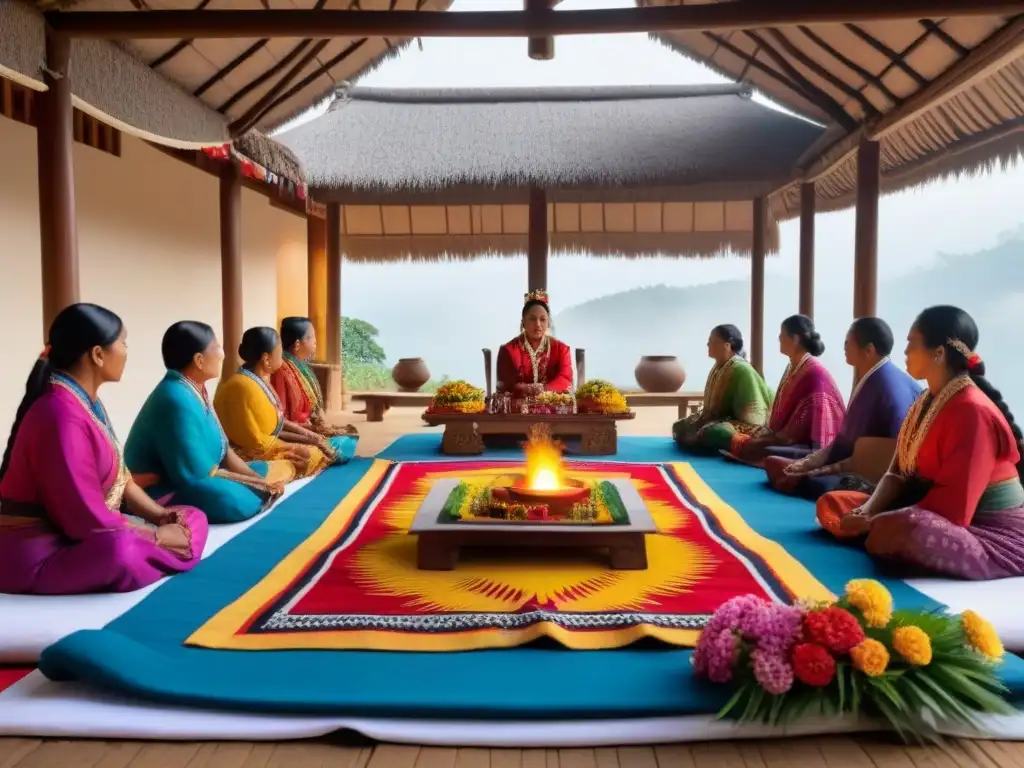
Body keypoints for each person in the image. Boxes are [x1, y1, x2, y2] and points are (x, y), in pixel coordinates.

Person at [0, 304, 208, 594]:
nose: (126, 351)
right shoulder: (60, 415)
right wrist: (156, 535)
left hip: (83, 535)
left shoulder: (86, 402)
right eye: (122, 343)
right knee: (121, 551)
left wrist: (160, 516)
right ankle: (161, 551)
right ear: (98, 355)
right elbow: (83, 520)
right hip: (40, 553)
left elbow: (122, 478)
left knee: (192, 515)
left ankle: (161, 548)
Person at [816, 306, 1024, 580]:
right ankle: (875, 531)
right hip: (928, 510)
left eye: (911, 343)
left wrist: (876, 520)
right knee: (832, 503)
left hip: (985, 529)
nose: (904, 352)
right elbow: (896, 473)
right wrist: (867, 511)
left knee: (901, 528)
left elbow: (955, 510)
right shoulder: (925, 402)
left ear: (938, 352)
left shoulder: (972, 409)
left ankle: (878, 533)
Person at [125, 321, 293, 524]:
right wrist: (260, 487)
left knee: (266, 471)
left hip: (203, 474)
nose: (222, 354)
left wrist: (258, 481)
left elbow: (226, 452)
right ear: (199, 360)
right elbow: (195, 476)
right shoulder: (174, 398)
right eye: (217, 347)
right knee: (235, 501)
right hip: (165, 488)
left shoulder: (195, 389)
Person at [764, 318, 921, 500]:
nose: (844, 347)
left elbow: (845, 448)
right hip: (886, 470)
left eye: (848, 343)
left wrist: (812, 467)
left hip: (881, 480)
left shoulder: (878, 383)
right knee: (779, 462)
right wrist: (809, 462)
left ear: (868, 350)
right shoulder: (892, 376)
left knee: (794, 474)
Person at [214, 327, 333, 479]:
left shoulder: (258, 379)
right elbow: (255, 443)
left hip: (267, 442)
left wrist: (311, 435)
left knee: (318, 447)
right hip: (248, 453)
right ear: (266, 358)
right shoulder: (242, 386)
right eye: (279, 352)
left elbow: (277, 424)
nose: (282, 358)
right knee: (308, 455)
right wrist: (298, 444)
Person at [728, 314, 846, 465]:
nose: (779, 338)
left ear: (795, 339)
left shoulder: (814, 373)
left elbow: (803, 429)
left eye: (782, 335)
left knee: (763, 451)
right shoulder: (793, 367)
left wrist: (768, 439)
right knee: (745, 443)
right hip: (786, 438)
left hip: (814, 448)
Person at [271, 316, 358, 465]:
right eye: (311, 338)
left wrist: (323, 427)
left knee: (349, 436)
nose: (316, 342)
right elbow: (279, 420)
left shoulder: (299, 366)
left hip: (308, 427)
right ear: (297, 344)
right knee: (341, 443)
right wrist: (313, 434)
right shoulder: (280, 371)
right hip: (293, 433)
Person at [673, 324, 773, 452]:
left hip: (751, 424)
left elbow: (754, 416)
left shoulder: (742, 369)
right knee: (680, 426)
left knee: (713, 431)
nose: (708, 344)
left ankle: (746, 447)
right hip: (722, 419)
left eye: (712, 341)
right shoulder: (718, 367)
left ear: (727, 345)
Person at [496, 289, 574, 396]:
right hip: (518, 410)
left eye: (542, 319)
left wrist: (543, 389)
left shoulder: (561, 349)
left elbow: (565, 379)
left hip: (553, 409)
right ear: (523, 322)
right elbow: (505, 384)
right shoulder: (508, 350)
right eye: (532, 319)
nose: (538, 324)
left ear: (548, 323)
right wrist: (527, 389)